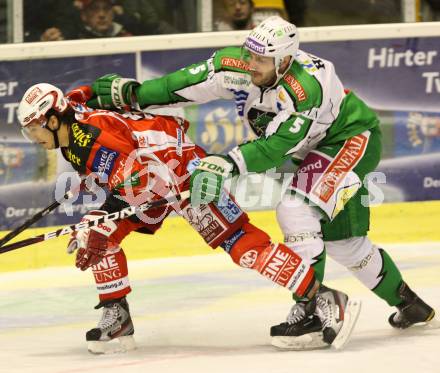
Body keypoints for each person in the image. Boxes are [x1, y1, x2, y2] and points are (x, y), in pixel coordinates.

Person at [87, 15, 436, 348]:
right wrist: (135, 94)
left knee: (296, 211)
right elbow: (183, 85)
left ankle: (312, 307)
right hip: (315, 151)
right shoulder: (240, 65)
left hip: (349, 141)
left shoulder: (306, 90)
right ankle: (409, 303)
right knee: (345, 243)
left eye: (262, 60)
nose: (251, 64)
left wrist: (225, 164)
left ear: (284, 62)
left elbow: (274, 149)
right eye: (249, 54)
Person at [16, 82, 360, 353]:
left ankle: (323, 297)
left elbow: (136, 187)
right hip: (149, 171)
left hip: (184, 174)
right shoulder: (70, 117)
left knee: (242, 246)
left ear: (53, 119)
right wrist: (98, 221)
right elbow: (85, 95)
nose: (33, 138)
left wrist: (99, 221)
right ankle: (116, 315)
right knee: (98, 235)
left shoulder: (93, 140)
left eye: (34, 129)